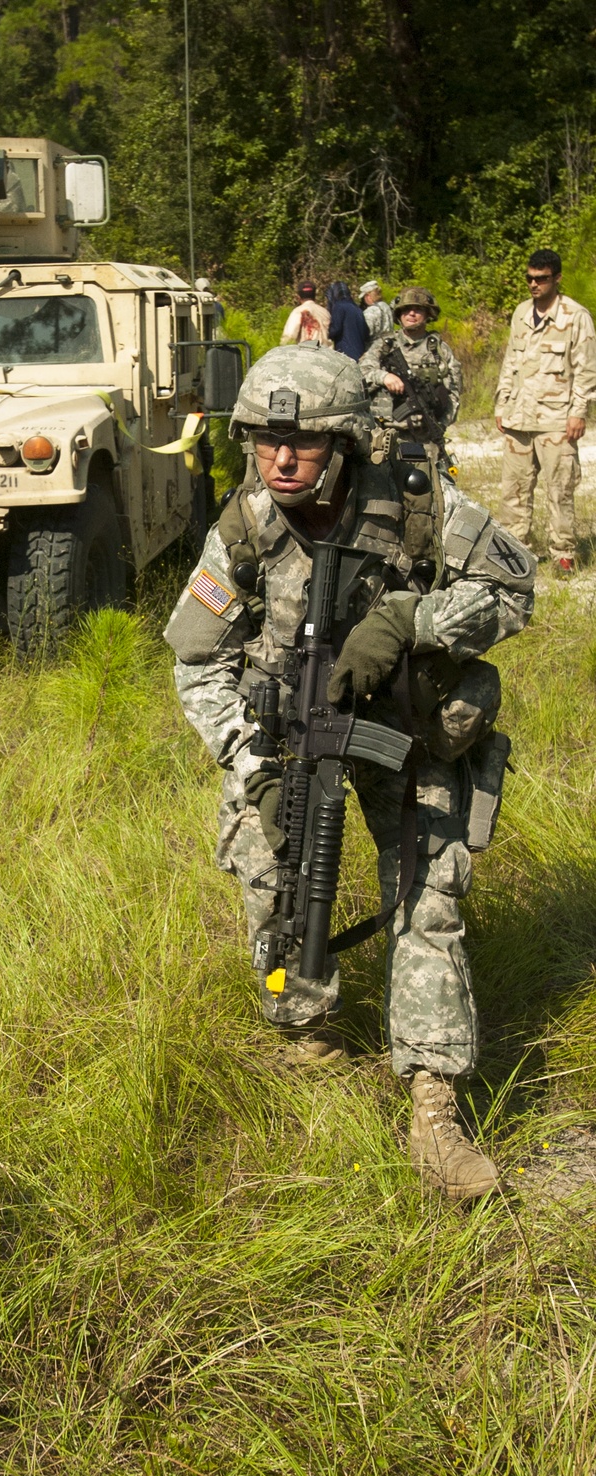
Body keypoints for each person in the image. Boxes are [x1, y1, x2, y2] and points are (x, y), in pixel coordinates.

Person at [164, 344, 535, 1200]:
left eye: (302, 442)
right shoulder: (248, 522)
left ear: (346, 443)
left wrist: (413, 618)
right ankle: (309, 1032)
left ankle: (435, 1108)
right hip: (294, 743)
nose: (282, 459)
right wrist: (251, 761)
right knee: (276, 875)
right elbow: (194, 660)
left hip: (405, 731)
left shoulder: (412, 501)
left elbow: (514, 589)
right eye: (264, 440)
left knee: (428, 894)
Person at [495, 248, 596, 577]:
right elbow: (511, 361)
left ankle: (563, 555)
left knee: (560, 490)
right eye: (529, 278)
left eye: (541, 279)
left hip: (556, 421)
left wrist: (578, 411)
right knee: (514, 491)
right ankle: (514, 556)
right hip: (519, 419)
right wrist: (502, 403)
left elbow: (586, 369)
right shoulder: (522, 312)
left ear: (557, 278)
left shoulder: (575, 316)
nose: (534, 284)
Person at [360, 287, 462, 454]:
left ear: (428, 313)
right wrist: (384, 376)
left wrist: (441, 424)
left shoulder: (439, 350)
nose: (411, 314)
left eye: (418, 309)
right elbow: (360, 375)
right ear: (399, 315)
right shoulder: (384, 345)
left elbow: (454, 392)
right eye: (406, 310)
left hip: (426, 438)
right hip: (386, 436)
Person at [325, 281, 368, 361]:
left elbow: (335, 329)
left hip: (347, 353)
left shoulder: (339, 307)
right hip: (360, 353)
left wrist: (323, 331)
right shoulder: (357, 308)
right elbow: (366, 333)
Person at [280, 281, 331, 347]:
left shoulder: (298, 312)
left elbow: (289, 336)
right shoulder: (325, 313)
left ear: (298, 297)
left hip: (306, 353)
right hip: (326, 354)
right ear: (315, 295)